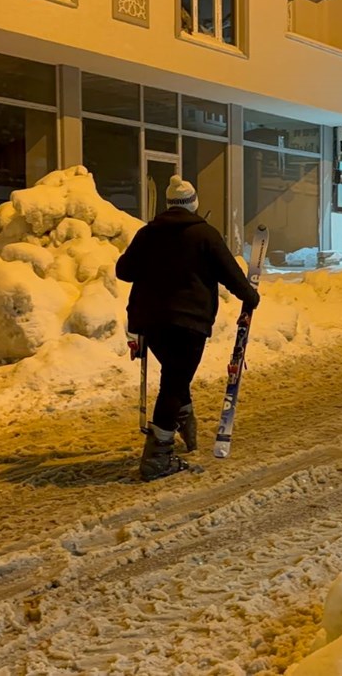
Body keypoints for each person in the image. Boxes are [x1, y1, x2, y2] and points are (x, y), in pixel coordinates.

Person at [116, 175, 260, 482]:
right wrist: (250, 296)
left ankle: (182, 417)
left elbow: (123, 271)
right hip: (188, 322)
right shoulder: (204, 234)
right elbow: (230, 273)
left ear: (169, 205)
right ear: (193, 204)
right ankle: (158, 457)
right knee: (173, 382)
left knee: (174, 375)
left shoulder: (147, 234)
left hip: (150, 322)